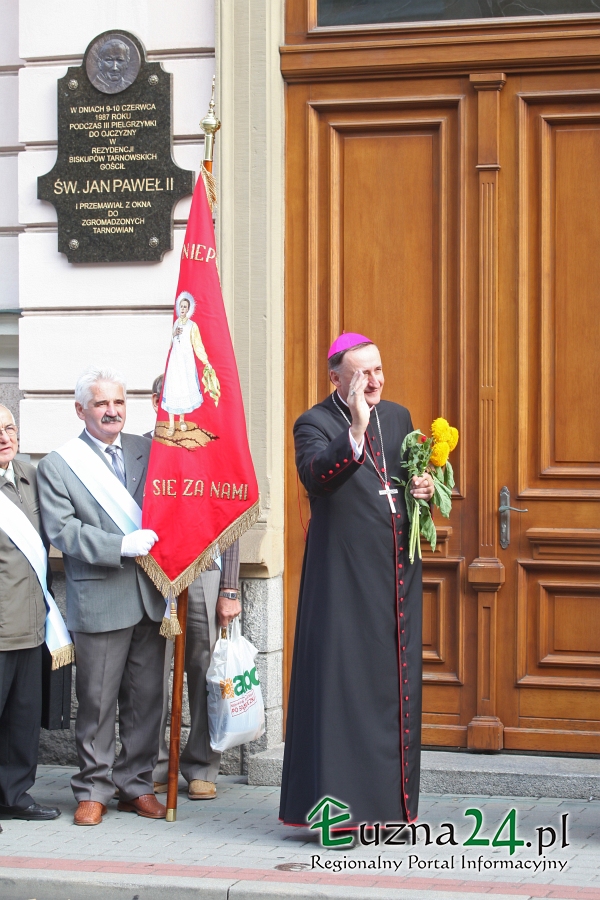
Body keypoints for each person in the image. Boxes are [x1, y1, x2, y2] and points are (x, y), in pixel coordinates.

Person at [279, 334, 434, 830]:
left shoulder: (400, 417)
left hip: (395, 581)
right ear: (336, 379)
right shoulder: (314, 422)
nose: (374, 381)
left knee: (392, 693)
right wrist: (357, 429)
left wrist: (423, 489)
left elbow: (403, 484)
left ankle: (391, 813)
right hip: (342, 583)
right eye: (362, 374)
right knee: (342, 694)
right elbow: (315, 476)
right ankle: (339, 816)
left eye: (378, 370)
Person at [37, 367, 167, 826]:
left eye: (118, 402)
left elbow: (172, 504)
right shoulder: (58, 465)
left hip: (150, 594)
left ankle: (136, 784)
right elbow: (62, 530)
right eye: (101, 404)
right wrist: (119, 545)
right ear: (81, 410)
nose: (112, 411)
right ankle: (93, 788)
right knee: (95, 702)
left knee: (147, 699)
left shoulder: (148, 450)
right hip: (100, 596)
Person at [146, 375, 242, 800]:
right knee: (151, 675)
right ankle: (153, 765)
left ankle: (202, 764)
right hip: (153, 575)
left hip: (204, 572)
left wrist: (230, 588)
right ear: (156, 401)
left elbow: (231, 518)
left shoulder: (212, 449)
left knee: (205, 672)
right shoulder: (140, 451)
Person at [0, 406, 61, 825]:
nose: (4, 438)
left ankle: (14, 796)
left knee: (22, 719)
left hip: (32, 624)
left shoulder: (30, 476)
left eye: (9, 428)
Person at [162, 292, 220, 436]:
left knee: (183, 388)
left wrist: (205, 361)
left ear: (188, 309)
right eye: (181, 306)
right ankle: (171, 424)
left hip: (186, 362)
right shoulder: (176, 323)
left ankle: (181, 420)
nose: (182, 309)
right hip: (175, 362)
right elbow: (170, 344)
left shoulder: (192, 326)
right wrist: (173, 334)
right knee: (173, 388)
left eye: (185, 307)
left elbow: (198, 345)